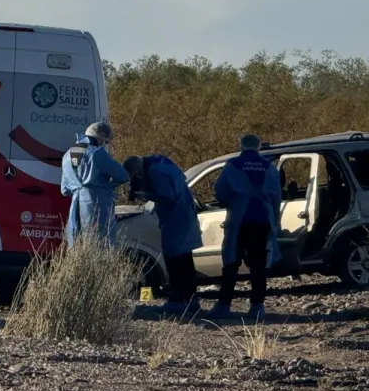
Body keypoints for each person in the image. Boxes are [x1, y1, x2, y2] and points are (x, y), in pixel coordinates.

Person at [208, 134, 283, 321]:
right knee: (258, 265)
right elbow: (277, 196)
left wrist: (230, 200)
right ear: (258, 146)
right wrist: (275, 221)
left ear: (241, 146)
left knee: (231, 262)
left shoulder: (232, 165)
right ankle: (257, 306)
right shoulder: (269, 166)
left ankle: (224, 305)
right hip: (262, 219)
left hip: (239, 220)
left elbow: (220, 191)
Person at [123, 153, 203, 316]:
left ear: (137, 170)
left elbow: (168, 196)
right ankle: (191, 300)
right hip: (183, 213)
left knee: (175, 259)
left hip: (175, 217)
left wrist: (145, 194)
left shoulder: (154, 171)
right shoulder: (161, 162)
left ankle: (177, 300)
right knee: (185, 259)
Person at [60, 121, 130, 247]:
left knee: (77, 245)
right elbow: (122, 175)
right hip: (96, 204)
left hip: (75, 207)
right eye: (106, 142)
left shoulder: (67, 156)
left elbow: (64, 189)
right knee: (100, 244)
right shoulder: (97, 154)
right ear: (101, 138)